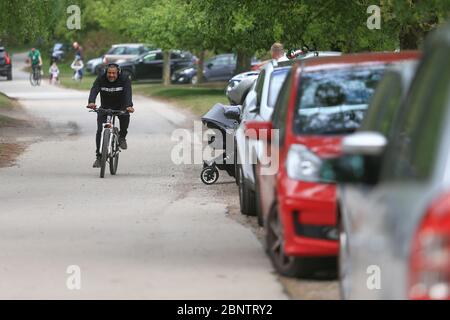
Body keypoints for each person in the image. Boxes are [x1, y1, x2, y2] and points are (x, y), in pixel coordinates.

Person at [87, 63, 135, 168]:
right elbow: (94, 89)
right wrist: (91, 102)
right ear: (106, 72)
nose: (111, 75)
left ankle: (122, 137)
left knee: (125, 117)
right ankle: (99, 157)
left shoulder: (124, 78)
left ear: (118, 72)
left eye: (114, 73)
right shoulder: (101, 78)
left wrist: (128, 106)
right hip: (105, 106)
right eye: (109, 73)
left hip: (121, 105)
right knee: (100, 130)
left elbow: (128, 93)